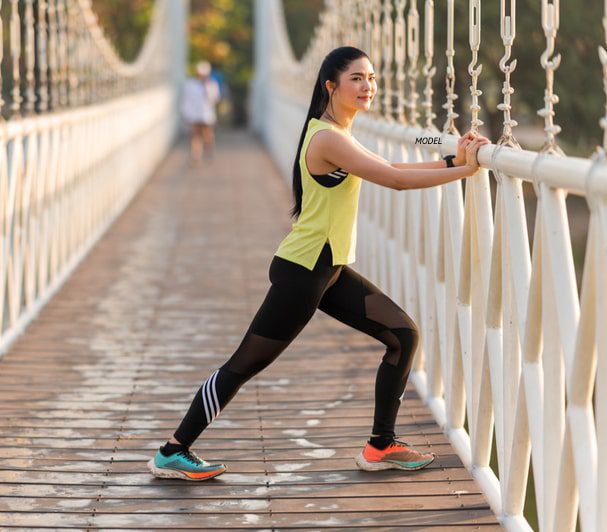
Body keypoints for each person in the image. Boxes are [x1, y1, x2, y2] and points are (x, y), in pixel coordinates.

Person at [148, 46, 490, 481]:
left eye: (371, 77)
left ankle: (380, 445)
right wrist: (464, 171)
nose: (368, 86)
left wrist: (450, 158)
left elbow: (388, 163)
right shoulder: (328, 138)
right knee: (245, 363)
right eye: (357, 79)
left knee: (403, 335)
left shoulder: (338, 132)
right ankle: (172, 450)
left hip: (328, 271)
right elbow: (397, 181)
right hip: (304, 272)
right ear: (332, 86)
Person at [181, 61, 221, 163]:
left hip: (207, 114)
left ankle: (208, 150)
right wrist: (186, 114)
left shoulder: (211, 85)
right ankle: (196, 156)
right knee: (196, 135)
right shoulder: (190, 85)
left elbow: (215, 99)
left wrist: (207, 89)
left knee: (207, 135)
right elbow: (187, 100)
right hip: (194, 114)